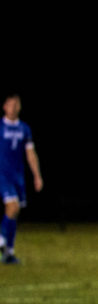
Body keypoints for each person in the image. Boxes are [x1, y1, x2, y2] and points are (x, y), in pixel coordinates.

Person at [0, 94, 43, 265]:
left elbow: (30, 153)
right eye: (10, 104)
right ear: (4, 106)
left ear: (20, 107)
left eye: (16, 104)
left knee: (14, 213)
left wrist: (37, 175)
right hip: (2, 174)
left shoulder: (24, 129)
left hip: (18, 176)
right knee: (13, 206)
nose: (13, 107)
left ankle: (8, 252)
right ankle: (1, 240)